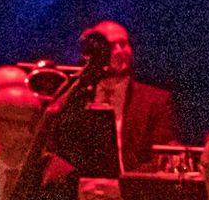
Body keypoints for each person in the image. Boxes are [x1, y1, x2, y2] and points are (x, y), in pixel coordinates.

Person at [77, 20, 182, 167]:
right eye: (112, 46)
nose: (120, 51)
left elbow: (162, 159)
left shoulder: (156, 101)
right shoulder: (76, 96)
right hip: (80, 185)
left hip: (132, 186)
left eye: (124, 44)